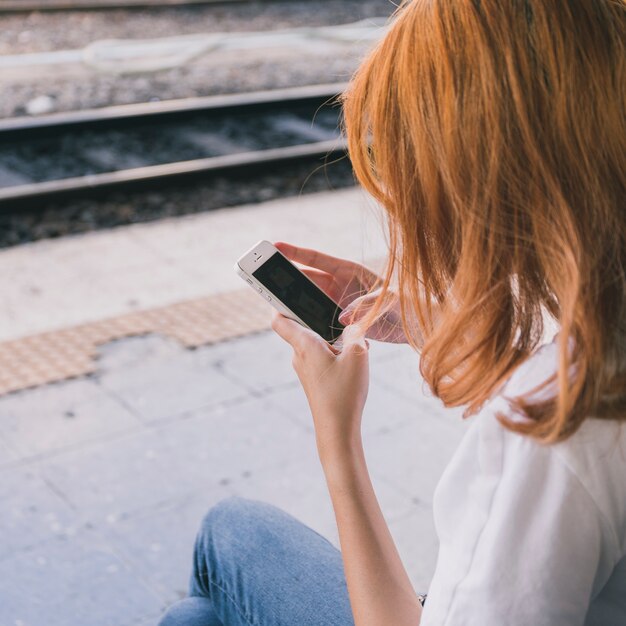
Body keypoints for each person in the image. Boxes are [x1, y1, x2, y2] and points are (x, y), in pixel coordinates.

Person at [158, 0, 626, 624]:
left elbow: (563, 418)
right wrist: (430, 322)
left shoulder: (557, 442)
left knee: (226, 537)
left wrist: (337, 441)